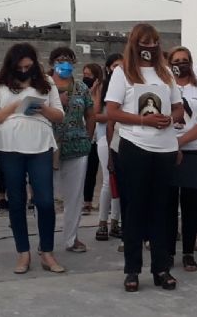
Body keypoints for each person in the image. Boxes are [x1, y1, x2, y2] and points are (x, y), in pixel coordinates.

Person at [104, 23, 183, 292]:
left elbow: (179, 108)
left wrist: (169, 119)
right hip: (134, 146)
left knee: (161, 210)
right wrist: (143, 120)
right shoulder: (122, 73)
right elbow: (112, 111)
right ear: (135, 44)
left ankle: (162, 268)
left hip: (164, 149)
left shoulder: (166, 74)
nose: (149, 46)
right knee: (135, 209)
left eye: (154, 41)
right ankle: (132, 270)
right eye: (144, 42)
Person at [0, 43, 65, 274]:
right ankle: (23, 253)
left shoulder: (47, 83)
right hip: (10, 146)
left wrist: (42, 109)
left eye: (28, 66)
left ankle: (46, 252)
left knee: (46, 200)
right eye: (19, 67)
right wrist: (13, 107)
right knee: (16, 201)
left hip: (39, 144)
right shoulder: (0, 86)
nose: (24, 70)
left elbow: (59, 115)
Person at [168, 46, 197, 272]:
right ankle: (166, 252)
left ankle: (188, 253)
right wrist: (171, 143)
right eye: (176, 60)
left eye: (185, 60)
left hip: (195, 150)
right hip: (165, 151)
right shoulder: (164, 87)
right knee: (166, 205)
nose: (181, 64)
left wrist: (180, 142)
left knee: (191, 205)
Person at [49, 47, 95, 254]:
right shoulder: (44, 86)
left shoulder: (82, 88)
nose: (64, 64)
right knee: (45, 196)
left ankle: (71, 238)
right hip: (48, 147)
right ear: (52, 63)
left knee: (74, 196)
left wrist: (88, 135)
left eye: (68, 60)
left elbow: (91, 114)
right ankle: (45, 240)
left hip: (77, 146)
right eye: (60, 60)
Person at [93, 54, 123, 242]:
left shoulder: (129, 84)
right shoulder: (103, 87)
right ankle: (102, 222)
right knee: (108, 181)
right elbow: (96, 115)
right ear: (108, 68)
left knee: (121, 182)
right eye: (115, 66)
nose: (118, 69)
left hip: (123, 137)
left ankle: (115, 222)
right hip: (105, 138)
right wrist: (115, 116)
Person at [82, 63, 104, 217]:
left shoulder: (102, 89)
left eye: (89, 75)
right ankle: (87, 202)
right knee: (89, 170)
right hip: (88, 135)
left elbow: (95, 111)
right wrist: (90, 91)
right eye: (84, 74)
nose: (86, 77)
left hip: (101, 135)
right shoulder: (82, 89)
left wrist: (95, 92)